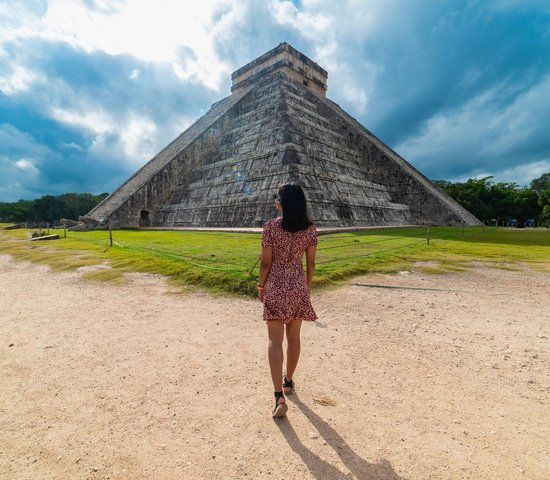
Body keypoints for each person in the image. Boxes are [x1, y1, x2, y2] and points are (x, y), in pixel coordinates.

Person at [257, 183, 317, 418]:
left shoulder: (271, 227)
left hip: (275, 285)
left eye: (276, 197)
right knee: (294, 338)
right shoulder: (311, 230)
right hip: (298, 285)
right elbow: (310, 264)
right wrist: (306, 288)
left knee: (274, 340)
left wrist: (261, 286)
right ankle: (289, 381)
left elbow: (265, 263)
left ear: (281, 202)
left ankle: (278, 396)